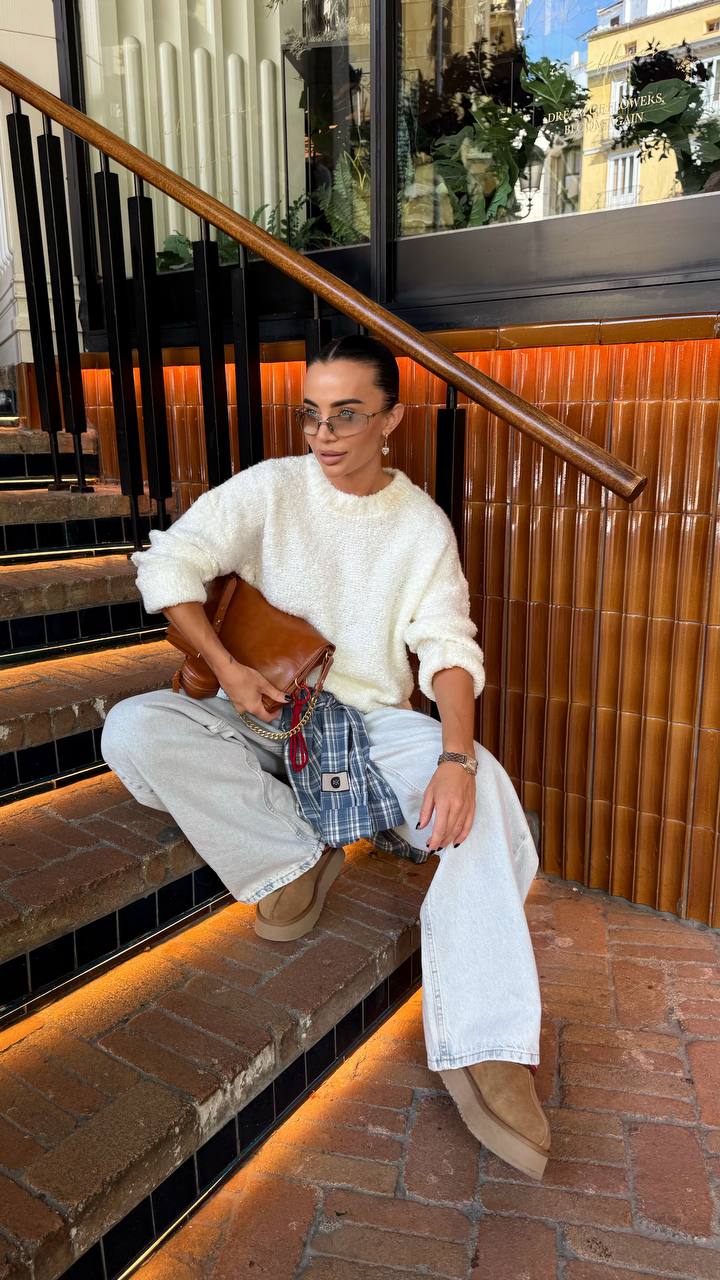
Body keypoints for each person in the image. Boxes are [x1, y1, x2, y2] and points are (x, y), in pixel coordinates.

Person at [100, 334, 550, 1180]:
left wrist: (456, 759)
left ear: (391, 420)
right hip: (256, 706)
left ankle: (485, 1040)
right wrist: (229, 669)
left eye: (346, 414)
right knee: (132, 729)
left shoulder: (419, 525)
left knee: (485, 785)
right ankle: (293, 859)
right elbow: (171, 561)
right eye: (312, 414)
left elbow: (447, 645)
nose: (324, 434)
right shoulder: (271, 488)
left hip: (368, 720)